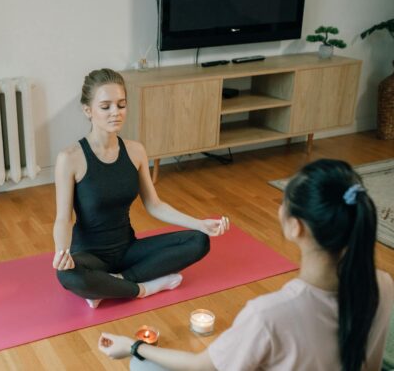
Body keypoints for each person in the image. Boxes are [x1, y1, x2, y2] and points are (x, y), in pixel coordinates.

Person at [98, 159, 394, 371]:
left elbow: (202, 366)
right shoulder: (382, 284)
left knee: (143, 367)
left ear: (296, 228)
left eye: (283, 202)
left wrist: (133, 347)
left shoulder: (269, 315)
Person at [53, 68, 229, 309]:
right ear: (88, 110)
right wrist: (61, 252)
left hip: (128, 249)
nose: (116, 112)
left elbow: (154, 205)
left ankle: (116, 283)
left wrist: (200, 223)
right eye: (105, 107)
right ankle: (144, 288)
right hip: (90, 256)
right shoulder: (70, 158)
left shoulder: (135, 151)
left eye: (121, 105)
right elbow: (63, 219)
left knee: (199, 241)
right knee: (67, 275)